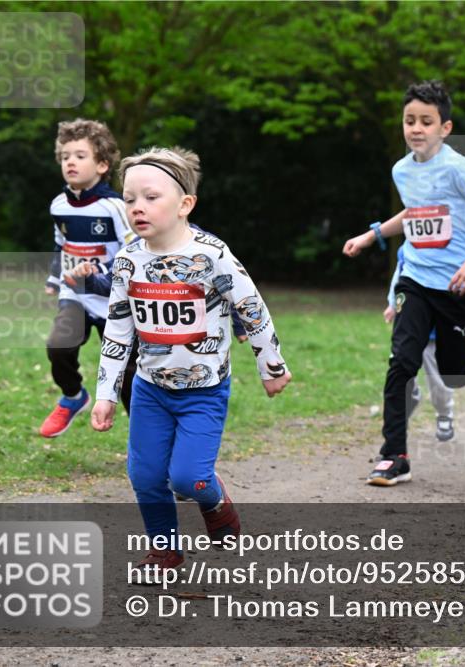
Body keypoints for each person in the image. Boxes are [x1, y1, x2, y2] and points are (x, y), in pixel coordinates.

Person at [91, 146, 292, 577]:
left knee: (188, 479)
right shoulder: (128, 260)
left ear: (185, 205)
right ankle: (165, 552)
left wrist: (270, 366)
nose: (137, 207)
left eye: (151, 197)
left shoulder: (213, 255)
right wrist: (106, 393)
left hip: (203, 391)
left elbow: (252, 307)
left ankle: (215, 499)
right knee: (145, 476)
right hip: (149, 388)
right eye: (129, 199)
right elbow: (118, 330)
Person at [342, 81, 465, 487]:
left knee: (455, 371)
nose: (416, 128)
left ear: (445, 127)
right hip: (415, 279)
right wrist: (373, 236)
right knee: (401, 362)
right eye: (409, 120)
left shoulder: (458, 168)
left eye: (426, 121)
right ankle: (394, 456)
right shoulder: (401, 170)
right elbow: (413, 213)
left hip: (458, 286)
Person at [40, 118, 135, 438]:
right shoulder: (58, 204)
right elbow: (60, 244)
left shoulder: (115, 207)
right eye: (65, 155)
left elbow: (133, 251)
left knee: (129, 374)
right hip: (76, 295)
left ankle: (149, 438)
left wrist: (105, 277)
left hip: (114, 300)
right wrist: (55, 279)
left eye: (80, 155)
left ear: (102, 164)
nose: (70, 161)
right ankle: (73, 397)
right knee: (58, 346)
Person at [384, 244, 455, 442]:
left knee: (438, 379)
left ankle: (444, 413)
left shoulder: (450, 249)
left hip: (435, 330)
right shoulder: (406, 249)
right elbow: (398, 278)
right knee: (400, 368)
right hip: (408, 323)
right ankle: (407, 401)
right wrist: (392, 304)